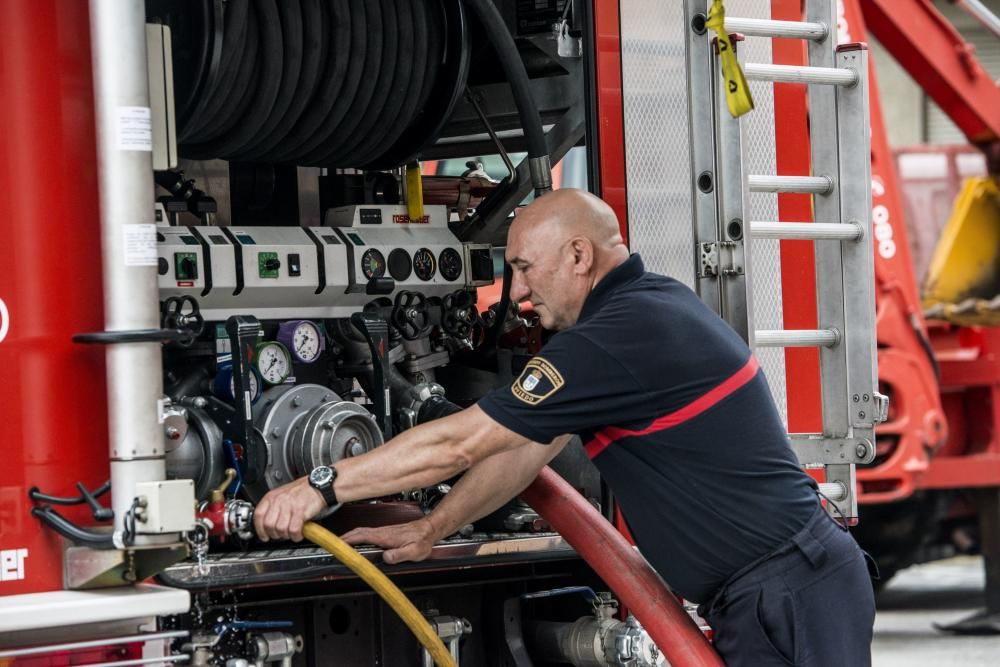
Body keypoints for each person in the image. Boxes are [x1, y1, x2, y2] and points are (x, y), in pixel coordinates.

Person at [254, 188, 876, 666]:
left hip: (788, 592)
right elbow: (525, 449)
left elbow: (460, 440)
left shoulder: (613, 339)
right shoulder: (643, 309)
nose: (518, 291)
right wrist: (433, 527)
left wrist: (323, 484)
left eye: (525, 267)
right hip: (783, 586)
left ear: (580, 256)